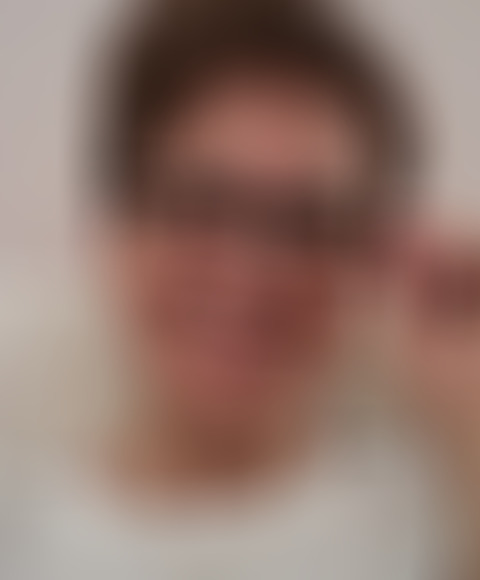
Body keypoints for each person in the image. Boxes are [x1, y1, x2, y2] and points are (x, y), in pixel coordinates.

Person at [0, 0, 463, 578]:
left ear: (368, 261)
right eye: (201, 205)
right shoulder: (18, 526)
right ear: (118, 225)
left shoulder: (436, 513)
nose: (249, 269)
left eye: (306, 224)